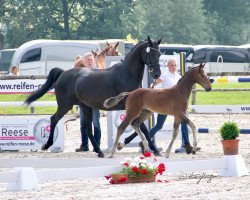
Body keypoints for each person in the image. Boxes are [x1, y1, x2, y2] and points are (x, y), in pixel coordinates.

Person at [147, 59, 190, 151]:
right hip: (165, 104)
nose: (173, 67)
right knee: (159, 125)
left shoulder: (179, 77)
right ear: (168, 66)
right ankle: (145, 141)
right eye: (171, 65)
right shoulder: (164, 75)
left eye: (175, 65)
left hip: (177, 106)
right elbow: (154, 83)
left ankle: (186, 144)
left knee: (183, 122)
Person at [75, 53, 102, 152]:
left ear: (94, 60)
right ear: (84, 62)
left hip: (95, 101)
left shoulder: (99, 71)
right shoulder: (81, 72)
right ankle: (84, 145)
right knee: (83, 124)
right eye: (88, 60)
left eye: (91, 60)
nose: (90, 62)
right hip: (84, 102)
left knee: (96, 123)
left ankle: (97, 145)